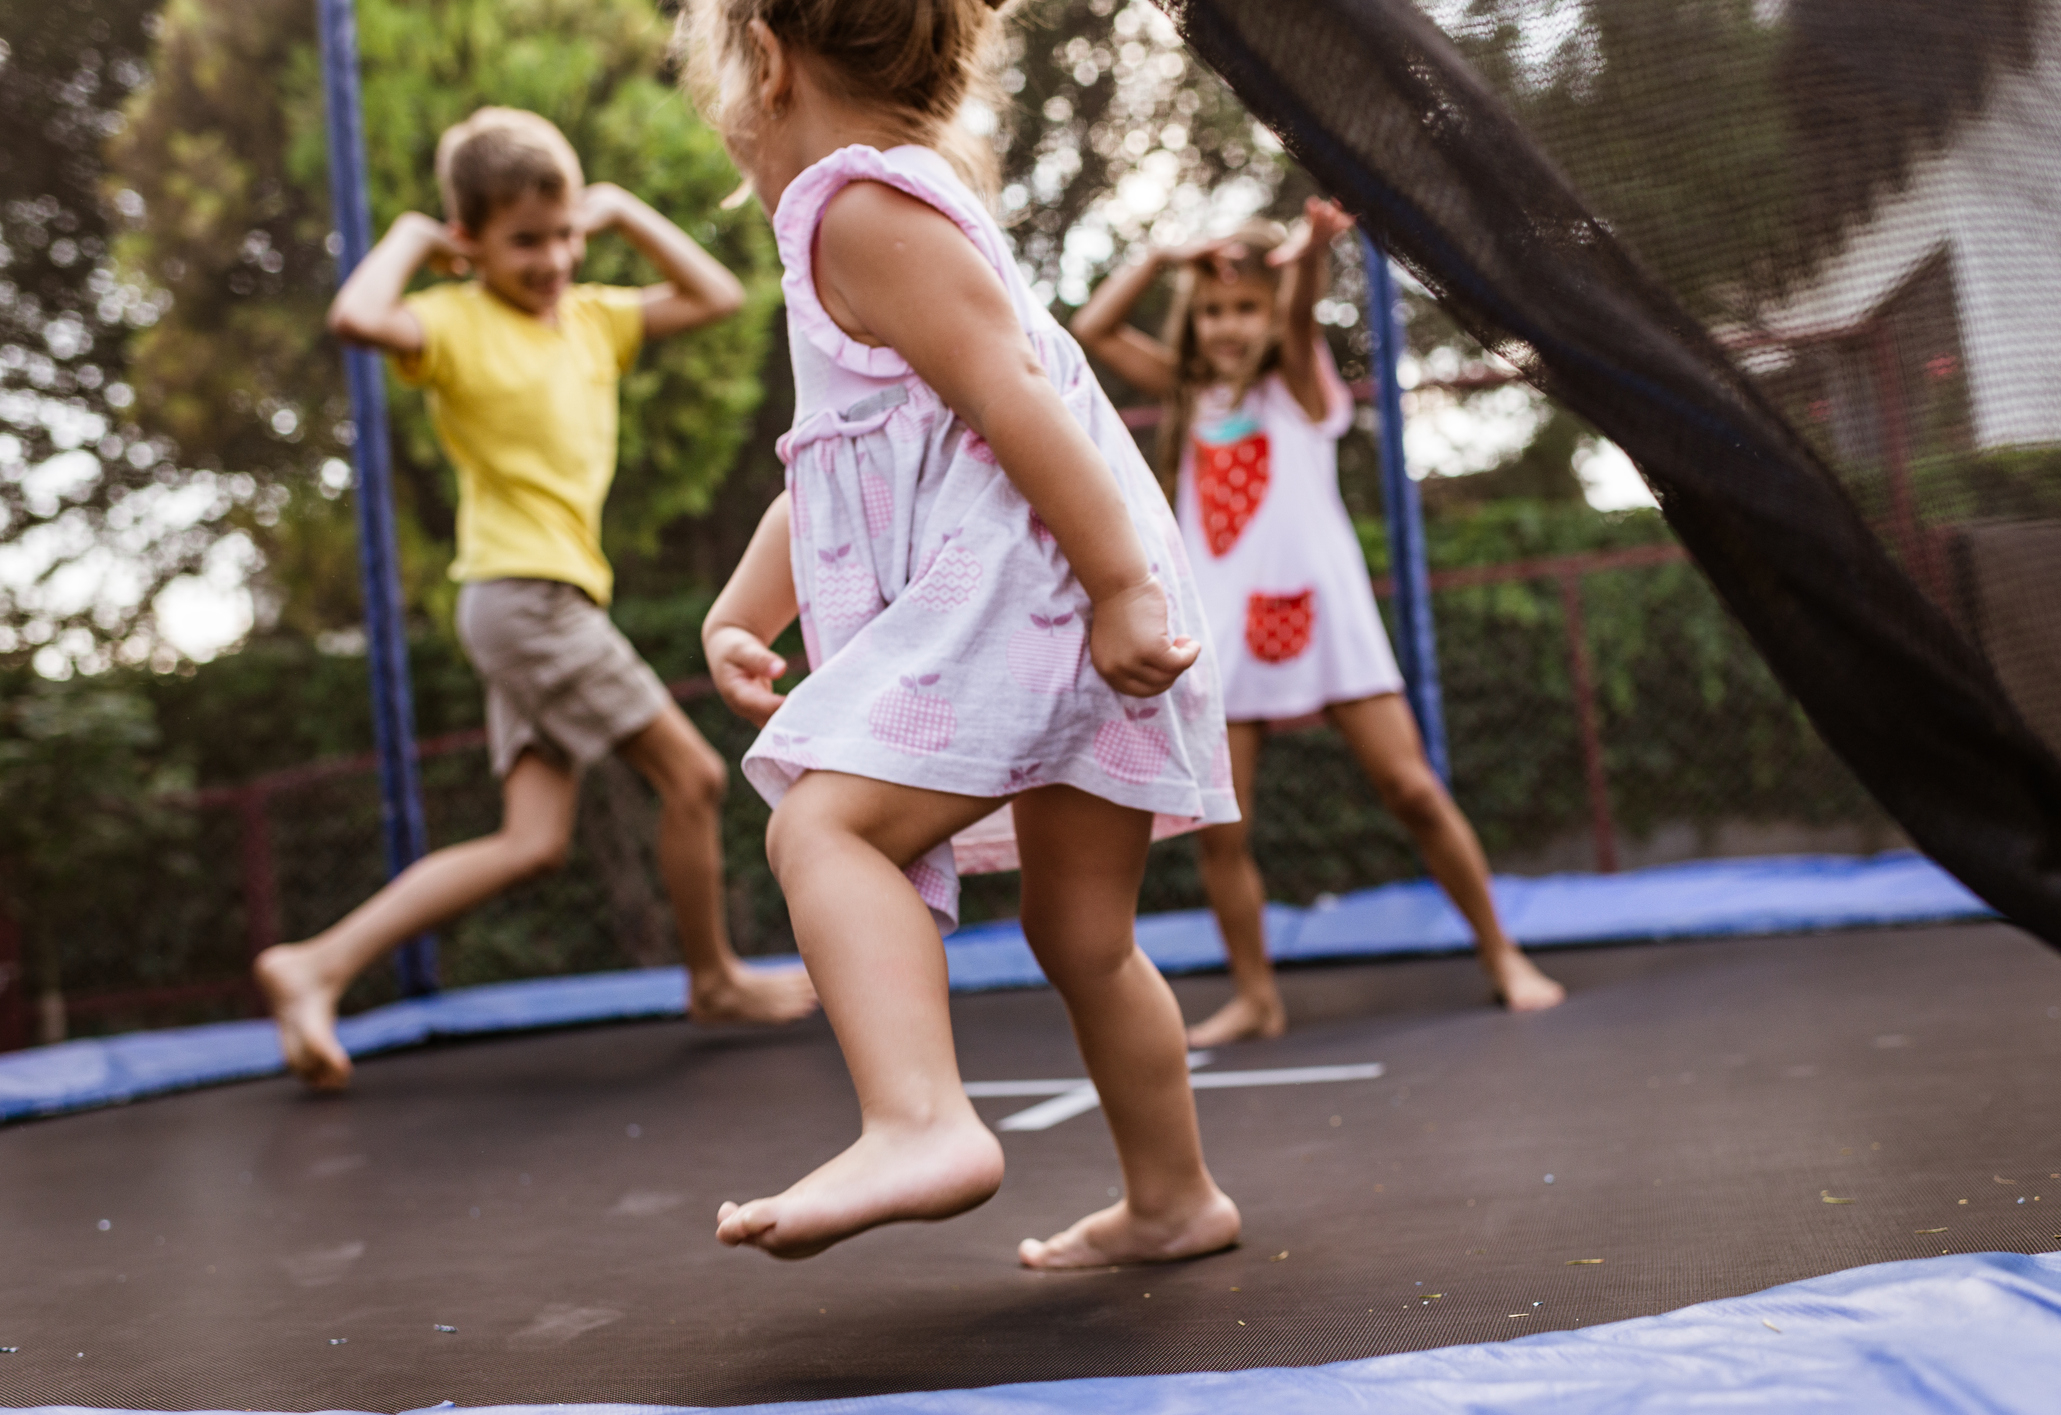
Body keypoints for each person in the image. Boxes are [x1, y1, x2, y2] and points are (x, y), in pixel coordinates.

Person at [676, 0, 1242, 1268]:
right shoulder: (907, 205)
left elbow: (1010, 399)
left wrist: (1115, 589)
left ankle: (920, 1118)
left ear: (767, 62)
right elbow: (837, 461)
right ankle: (1174, 1197)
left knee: (820, 826)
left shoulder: (855, 212)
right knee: (1082, 932)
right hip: (1078, 586)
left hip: (1043, 589)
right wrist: (739, 607)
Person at [255, 106, 816, 1091]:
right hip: (525, 599)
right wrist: (413, 240)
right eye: (524, 241)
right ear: (467, 240)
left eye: (563, 235)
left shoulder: (596, 317)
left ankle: (318, 962)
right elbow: (355, 317)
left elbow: (719, 294)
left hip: (543, 601)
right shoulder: (452, 321)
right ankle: (714, 976)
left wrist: (623, 212)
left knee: (532, 840)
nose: (553, 257)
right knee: (691, 777)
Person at [1071, 200, 1568, 1048]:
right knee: (1222, 827)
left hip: (1326, 619)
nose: (1231, 326)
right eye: (1217, 310)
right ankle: (1257, 996)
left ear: (1271, 312)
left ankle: (1502, 952)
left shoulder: (1300, 387)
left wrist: (1304, 259)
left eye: (1246, 309)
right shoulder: (1190, 395)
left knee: (1410, 788)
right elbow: (1092, 328)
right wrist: (1160, 255)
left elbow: (1298, 317)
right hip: (1223, 634)